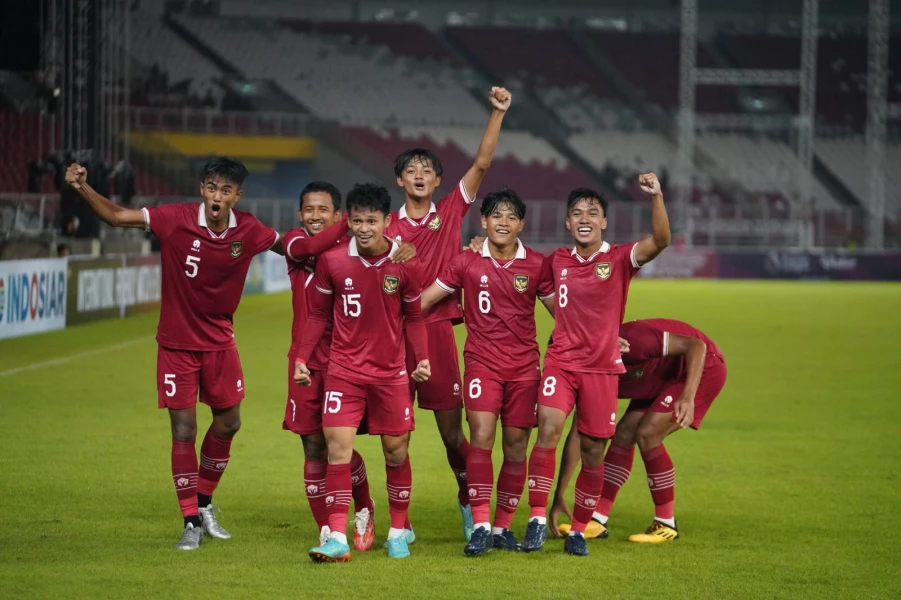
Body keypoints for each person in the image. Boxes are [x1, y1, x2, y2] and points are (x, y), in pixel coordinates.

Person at [65, 157, 282, 551]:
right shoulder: (175, 218)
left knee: (230, 424)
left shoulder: (249, 229)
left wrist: (351, 238)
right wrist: (81, 187)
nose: (217, 196)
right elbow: (116, 216)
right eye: (212, 187)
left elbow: (294, 247)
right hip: (177, 346)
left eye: (226, 190)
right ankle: (190, 522)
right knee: (183, 430)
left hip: (220, 344)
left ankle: (204, 504)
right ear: (203, 189)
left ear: (237, 195)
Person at [385, 86, 512, 540]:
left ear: (437, 181)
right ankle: (399, 522)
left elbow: (481, 164)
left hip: (436, 332)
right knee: (394, 438)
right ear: (399, 180)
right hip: (394, 336)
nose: (419, 175)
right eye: (411, 171)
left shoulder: (450, 211)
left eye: (427, 170)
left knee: (450, 434)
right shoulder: (385, 227)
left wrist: (496, 113)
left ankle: (468, 500)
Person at [520, 173, 671, 556]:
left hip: (602, 371)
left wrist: (656, 197)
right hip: (562, 364)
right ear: (568, 223)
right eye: (576, 213)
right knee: (549, 427)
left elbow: (661, 241)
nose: (584, 218)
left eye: (593, 212)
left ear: (604, 222)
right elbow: (522, 274)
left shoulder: (619, 258)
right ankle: (537, 519)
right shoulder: (556, 261)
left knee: (591, 450)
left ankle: (579, 530)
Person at [294, 183, 429, 562]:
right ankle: (337, 536)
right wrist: (303, 358)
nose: (364, 227)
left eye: (372, 220)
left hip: (390, 376)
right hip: (344, 372)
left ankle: (399, 530)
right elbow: (318, 314)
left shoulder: (404, 263)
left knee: (396, 451)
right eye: (357, 220)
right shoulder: (332, 261)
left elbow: (415, 317)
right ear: (348, 221)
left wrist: (422, 359)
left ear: (388, 221)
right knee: (337, 451)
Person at [419, 187, 554, 556]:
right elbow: (425, 299)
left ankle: (502, 527)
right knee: (480, 436)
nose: (503, 222)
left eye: (511, 217)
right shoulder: (466, 261)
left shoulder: (537, 265)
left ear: (521, 224)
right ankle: (480, 525)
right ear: (484, 221)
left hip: (525, 368)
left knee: (515, 446)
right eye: (496, 215)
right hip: (481, 364)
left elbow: (563, 312)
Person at [551, 319, 727, 543]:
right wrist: (559, 494)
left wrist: (687, 396)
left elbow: (696, 346)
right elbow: (579, 433)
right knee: (624, 433)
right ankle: (597, 518)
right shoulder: (587, 372)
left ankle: (666, 523)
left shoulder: (631, 340)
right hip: (660, 377)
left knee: (648, 433)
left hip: (702, 367)